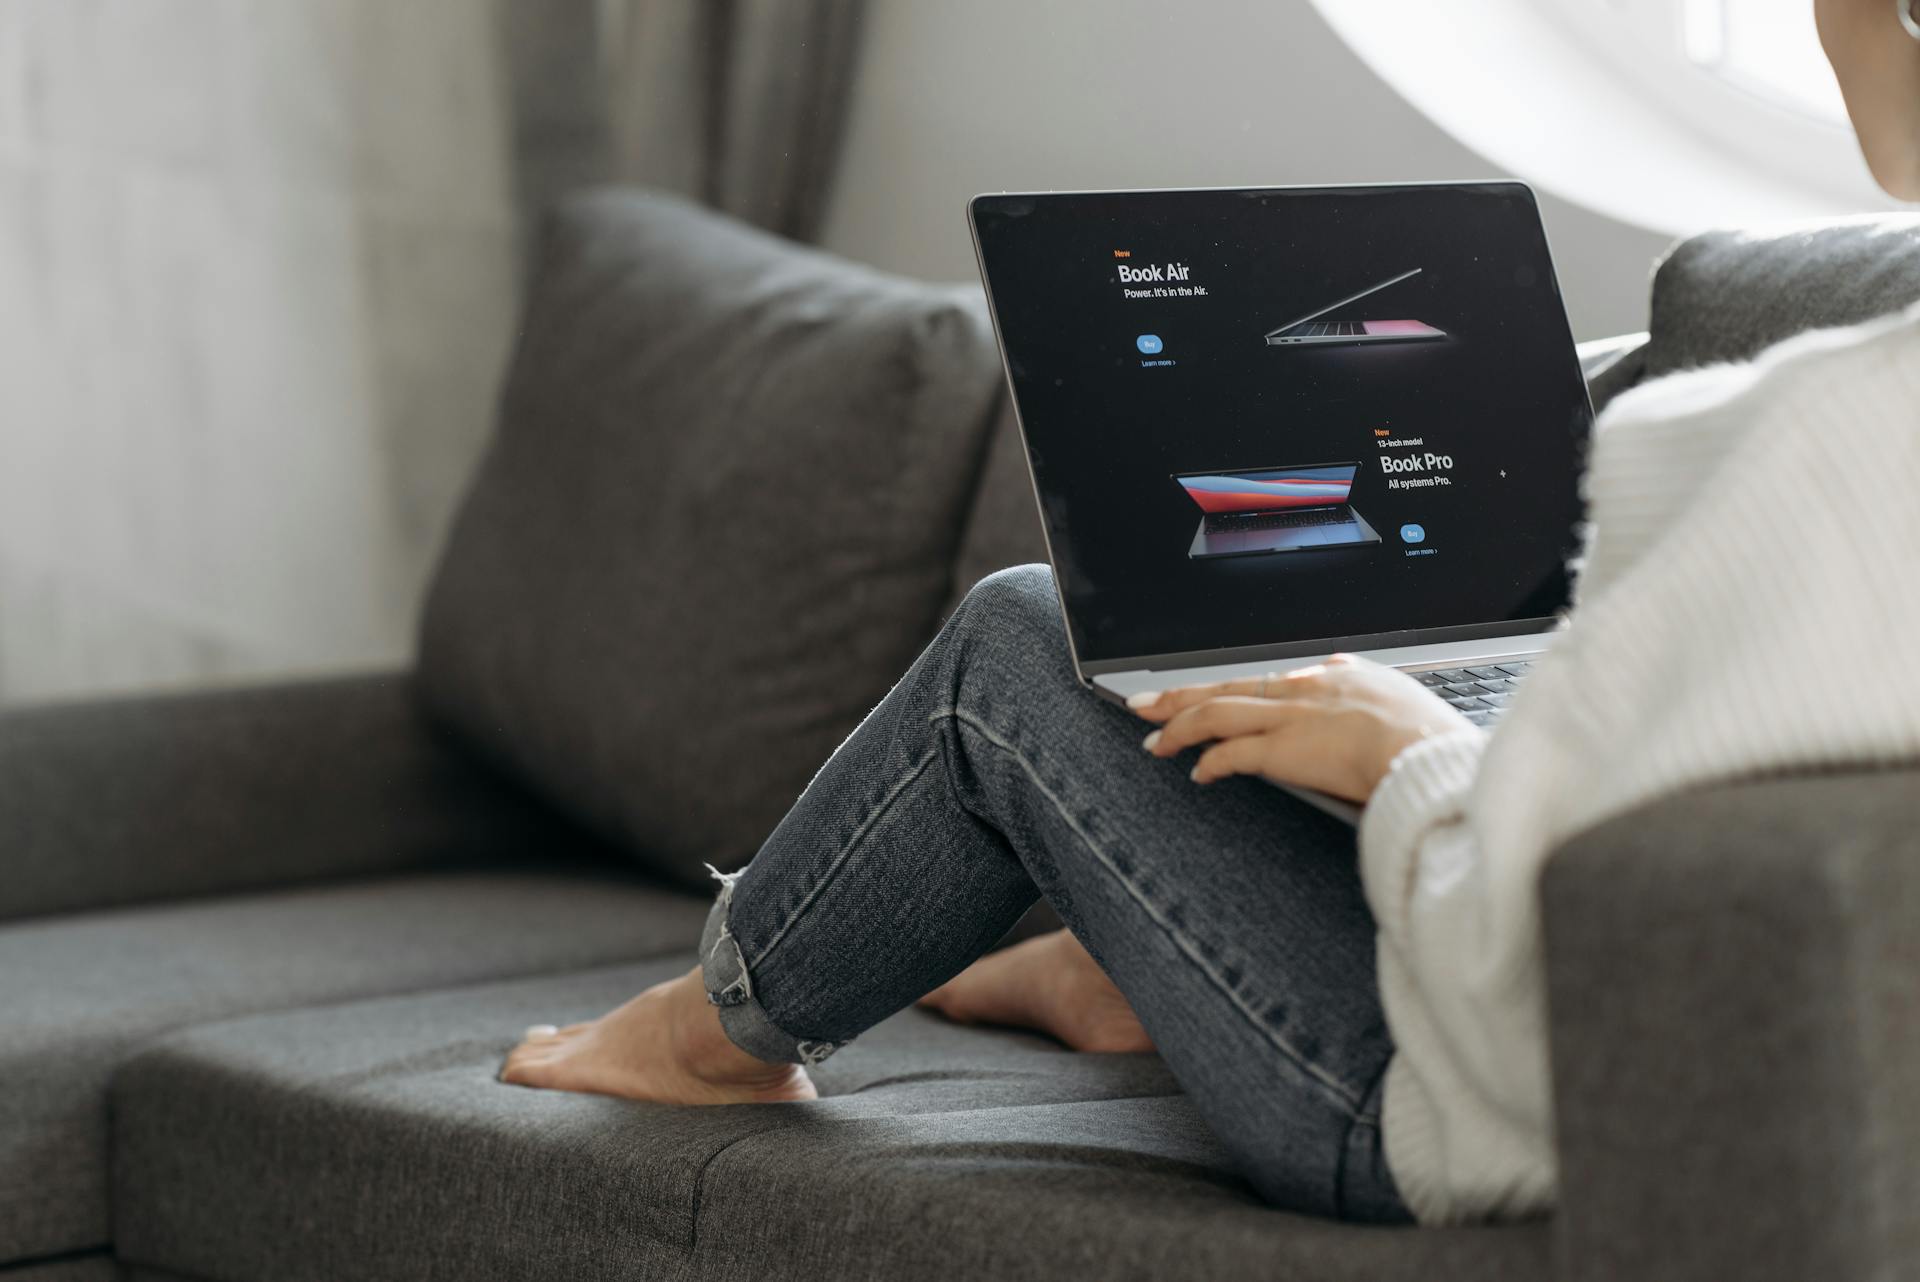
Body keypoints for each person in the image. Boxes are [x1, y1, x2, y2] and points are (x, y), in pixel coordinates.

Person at [501, 0, 1920, 1225]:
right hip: (1613, 1058)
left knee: (1016, 643)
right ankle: (1131, 961)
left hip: (1463, 1111)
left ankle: (719, 1032)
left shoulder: (1822, 434)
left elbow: (1578, 924)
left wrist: (1408, 753)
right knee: (1296, 670)